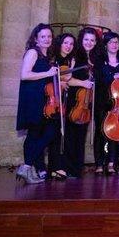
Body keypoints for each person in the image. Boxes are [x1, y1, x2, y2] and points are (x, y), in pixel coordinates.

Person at [15, 23, 58, 184]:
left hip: (43, 100)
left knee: (41, 134)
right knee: (37, 134)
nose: (46, 39)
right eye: (43, 37)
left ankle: (28, 168)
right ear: (36, 39)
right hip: (33, 99)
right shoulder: (33, 52)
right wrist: (48, 73)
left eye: (49, 36)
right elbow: (25, 75)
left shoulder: (46, 56)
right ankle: (27, 167)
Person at [64, 27, 100, 178]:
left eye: (92, 40)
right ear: (81, 40)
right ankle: (69, 168)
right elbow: (66, 79)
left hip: (88, 101)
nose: (89, 42)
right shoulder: (75, 57)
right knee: (71, 135)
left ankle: (77, 169)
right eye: (86, 39)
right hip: (75, 99)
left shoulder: (96, 58)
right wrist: (83, 83)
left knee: (81, 136)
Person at [93, 32, 119, 176]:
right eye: (111, 42)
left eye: (117, 42)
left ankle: (112, 162)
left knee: (116, 132)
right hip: (102, 100)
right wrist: (115, 75)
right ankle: (100, 163)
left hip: (118, 101)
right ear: (105, 44)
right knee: (101, 132)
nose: (114, 45)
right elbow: (100, 78)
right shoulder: (99, 60)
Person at [47, 32, 76, 180]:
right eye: (66, 43)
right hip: (50, 101)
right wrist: (59, 82)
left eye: (71, 44)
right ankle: (53, 167)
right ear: (60, 43)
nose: (68, 46)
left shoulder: (70, 60)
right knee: (52, 134)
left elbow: (69, 78)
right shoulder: (53, 58)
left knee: (60, 135)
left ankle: (57, 168)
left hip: (63, 102)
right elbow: (48, 77)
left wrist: (71, 68)